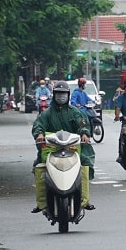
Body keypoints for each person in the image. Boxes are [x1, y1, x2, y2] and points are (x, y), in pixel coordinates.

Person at [31, 80, 95, 212]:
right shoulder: (47, 113)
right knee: (39, 166)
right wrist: (39, 134)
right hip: (52, 148)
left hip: (72, 147)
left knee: (85, 163)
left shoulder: (74, 111)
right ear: (54, 95)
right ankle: (42, 202)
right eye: (58, 93)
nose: (61, 96)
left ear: (68, 95)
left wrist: (84, 133)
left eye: (64, 94)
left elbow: (82, 123)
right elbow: (39, 124)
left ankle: (84, 200)